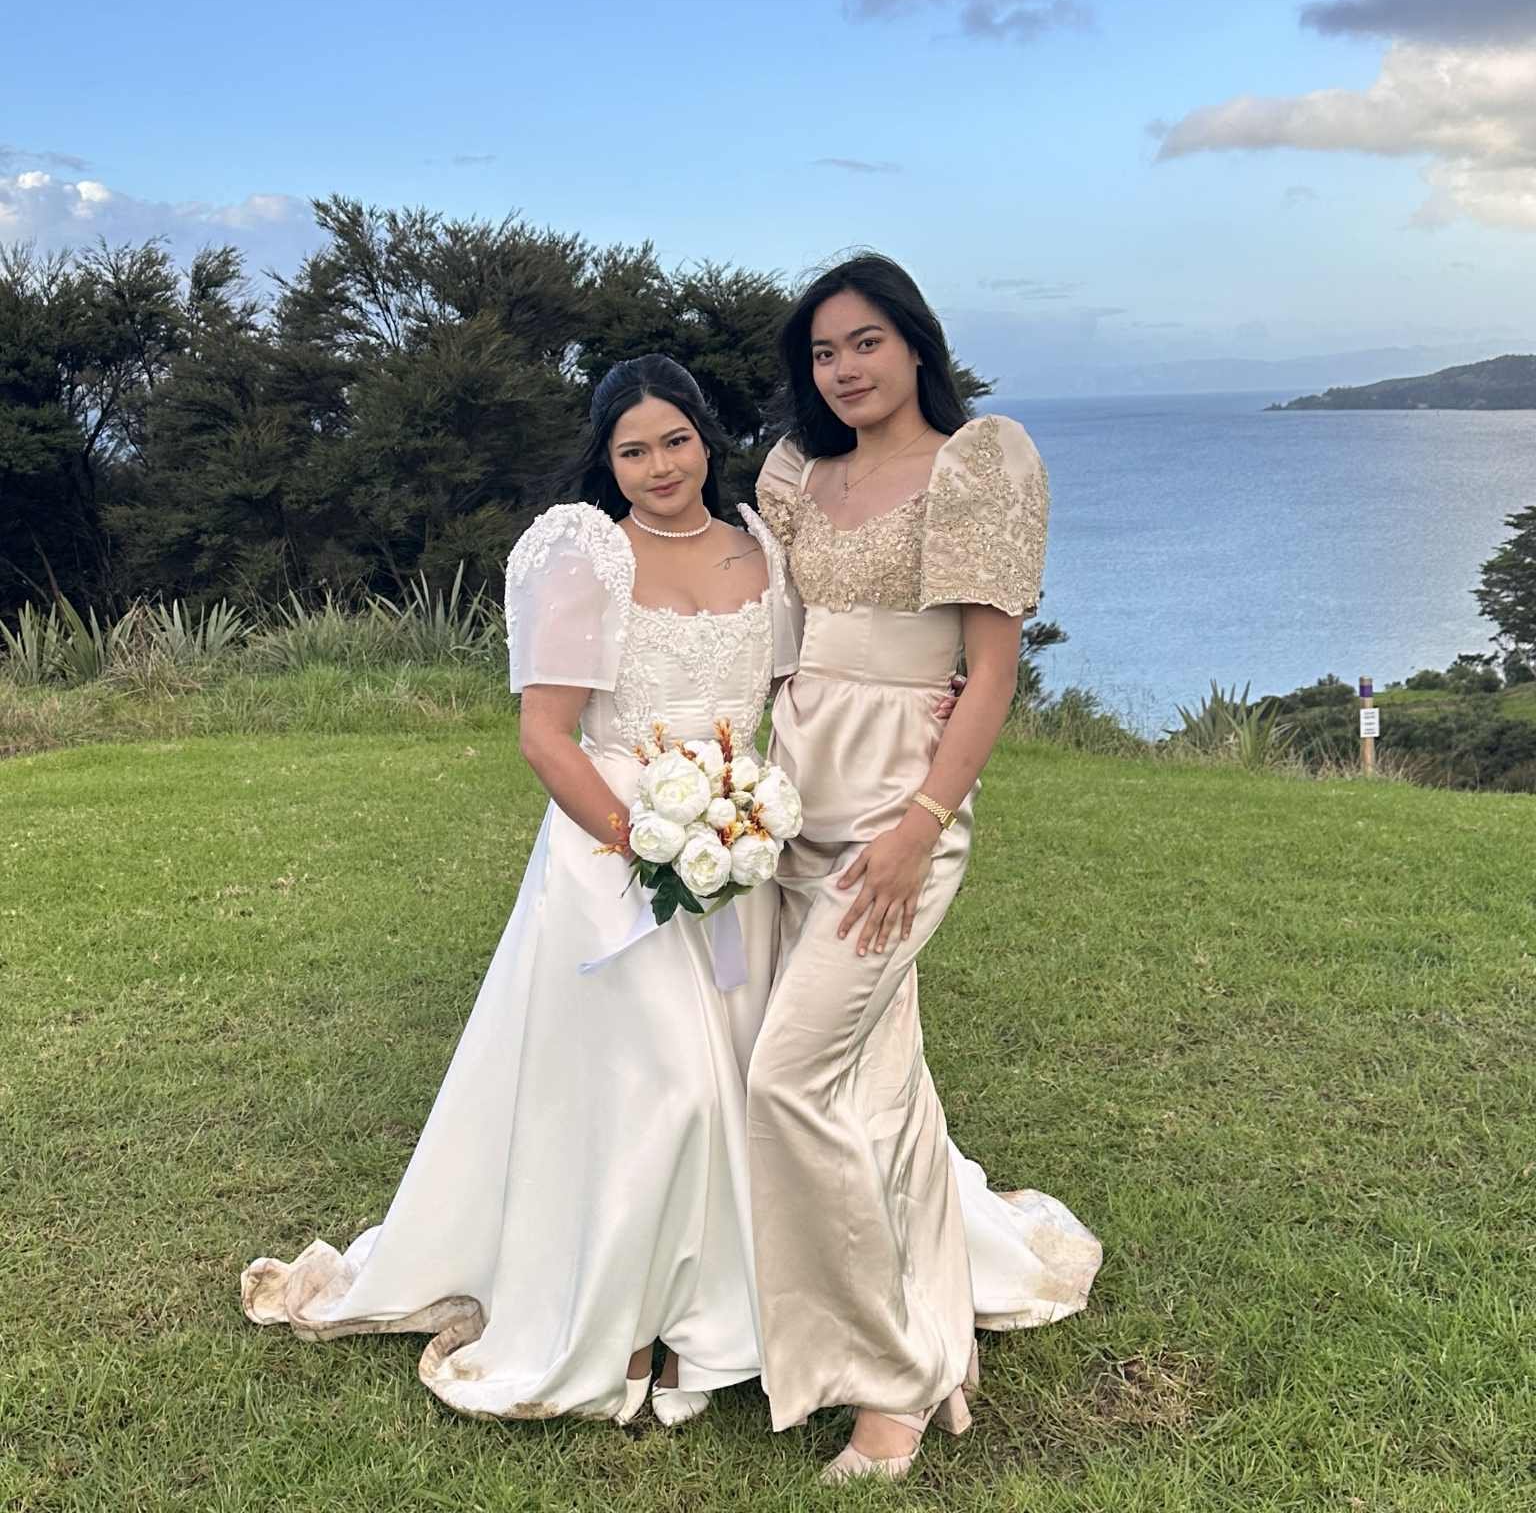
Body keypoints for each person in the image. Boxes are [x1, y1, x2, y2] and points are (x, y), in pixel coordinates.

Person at [241, 355, 799, 1423]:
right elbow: (546, 736)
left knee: (745, 1080)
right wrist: (645, 843)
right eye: (632, 450)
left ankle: (726, 1306)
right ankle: (624, 1311)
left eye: (675, 440)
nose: (659, 466)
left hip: (740, 845)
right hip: (615, 851)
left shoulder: (759, 546)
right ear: (607, 460)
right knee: (667, 1091)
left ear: (705, 436)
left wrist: (758, 811)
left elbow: (796, 691)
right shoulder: (589, 556)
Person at [750, 254, 1102, 1484]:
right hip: (795, 792)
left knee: (787, 1075)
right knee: (884, 1084)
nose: (844, 368)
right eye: (824, 352)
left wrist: (923, 818)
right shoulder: (796, 477)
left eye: (865, 342)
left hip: (902, 805)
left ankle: (889, 1381)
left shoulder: (976, 465)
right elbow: (772, 634)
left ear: (914, 343)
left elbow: (991, 669)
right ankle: (938, 1335)